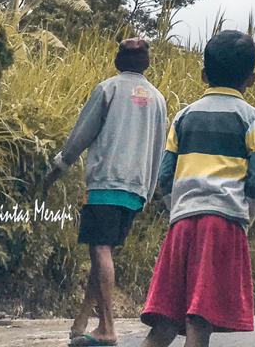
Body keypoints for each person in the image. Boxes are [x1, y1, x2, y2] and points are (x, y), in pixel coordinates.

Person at [139, 30, 255, 346]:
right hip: (224, 224)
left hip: (182, 223)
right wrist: (243, 214)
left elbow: (165, 177)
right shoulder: (253, 119)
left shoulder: (183, 117)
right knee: (200, 317)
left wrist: (179, 208)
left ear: (203, 75)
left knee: (167, 318)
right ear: (251, 79)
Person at [44, 37, 167, 347]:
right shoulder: (157, 99)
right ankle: (83, 322)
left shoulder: (108, 89)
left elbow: (82, 134)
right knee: (104, 252)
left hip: (106, 183)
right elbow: (159, 148)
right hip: (136, 188)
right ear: (146, 64)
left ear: (118, 60)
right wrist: (149, 191)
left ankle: (108, 328)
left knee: (100, 249)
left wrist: (58, 167)